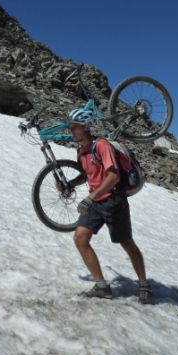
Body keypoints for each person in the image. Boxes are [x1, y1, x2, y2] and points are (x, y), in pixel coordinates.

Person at [65, 108, 152, 304]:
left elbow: (113, 176)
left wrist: (90, 197)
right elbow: (86, 175)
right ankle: (102, 287)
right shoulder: (81, 151)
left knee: (127, 244)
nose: (72, 131)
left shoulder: (102, 145)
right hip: (95, 202)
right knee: (80, 239)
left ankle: (144, 285)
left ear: (87, 126)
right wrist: (70, 184)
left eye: (76, 127)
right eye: (70, 127)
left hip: (114, 201)